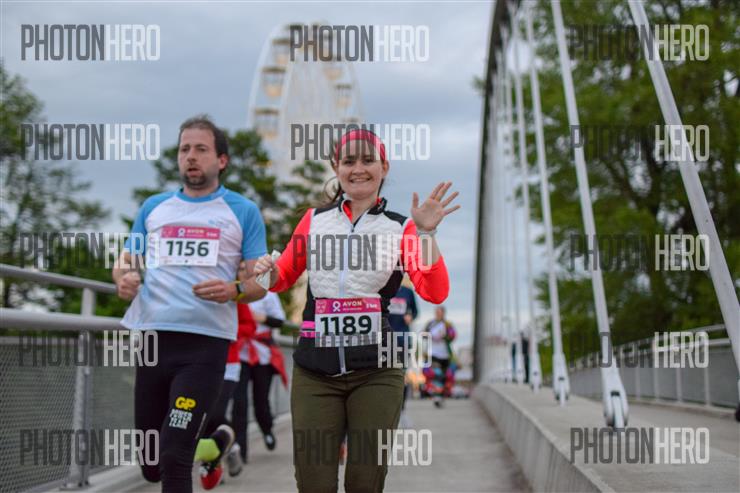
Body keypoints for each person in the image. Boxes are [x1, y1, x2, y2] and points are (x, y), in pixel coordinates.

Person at [248, 128, 460, 492]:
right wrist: (265, 272)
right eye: (349, 161)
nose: (358, 168)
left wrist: (426, 234)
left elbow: (435, 291)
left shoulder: (401, 228)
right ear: (336, 167)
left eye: (367, 160)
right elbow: (281, 277)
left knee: (364, 482)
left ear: (384, 167)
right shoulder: (314, 221)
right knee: (313, 484)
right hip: (315, 370)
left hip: (376, 371)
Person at [113, 115, 267, 493]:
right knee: (152, 464)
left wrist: (233, 290)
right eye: (184, 149)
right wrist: (124, 277)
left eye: (201, 149)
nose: (191, 157)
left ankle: (202, 447)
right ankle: (216, 444)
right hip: (153, 342)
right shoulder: (154, 207)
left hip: (204, 345)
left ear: (222, 160)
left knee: (174, 453)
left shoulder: (242, 211)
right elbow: (126, 260)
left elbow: (260, 284)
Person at [194, 303, 256, 489]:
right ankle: (222, 455)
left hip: (228, 364)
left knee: (215, 412)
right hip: (197, 363)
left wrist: (226, 330)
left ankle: (223, 450)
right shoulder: (191, 292)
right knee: (203, 415)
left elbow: (250, 326)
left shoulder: (234, 294)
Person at [232, 290, 289, 465]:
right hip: (240, 354)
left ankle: (267, 429)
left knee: (261, 402)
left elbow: (279, 321)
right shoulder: (234, 291)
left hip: (263, 356)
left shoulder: (268, 294)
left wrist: (258, 317)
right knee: (239, 403)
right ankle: (240, 450)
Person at [387, 276, 419, 425]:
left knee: (402, 376)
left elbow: (416, 312)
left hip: (402, 338)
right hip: (385, 338)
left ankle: (402, 412)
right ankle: (388, 413)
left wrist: (410, 316)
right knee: (385, 376)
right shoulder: (383, 289)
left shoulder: (407, 292)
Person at [423, 306, 457, 408]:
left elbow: (453, 336)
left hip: (445, 354)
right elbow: (424, 334)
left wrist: (444, 336)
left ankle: (440, 396)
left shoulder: (447, 324)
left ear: (443, 313)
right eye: (436, 312)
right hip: (433, 353)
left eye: (440, 312)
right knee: (436, 374)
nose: (438, 314)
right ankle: (437, 396)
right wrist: (429, 335)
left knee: (444, 377)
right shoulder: (431, 323)